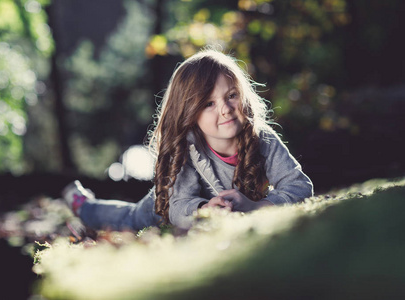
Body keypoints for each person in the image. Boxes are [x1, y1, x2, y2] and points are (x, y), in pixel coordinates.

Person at [62, 48, 314, 231]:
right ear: (190, 114)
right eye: (209, 103)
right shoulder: (187, 148)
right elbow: (179, 204)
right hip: (169, 199)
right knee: (132, 219)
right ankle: (83, 205)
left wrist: (257, 206)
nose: (225, 109)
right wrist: (205, 210)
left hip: (241, 203)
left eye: (232, 95)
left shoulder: (263, 138)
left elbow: (300, 186)